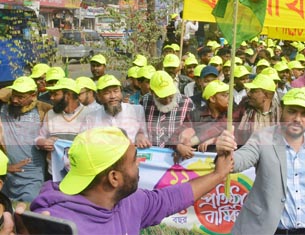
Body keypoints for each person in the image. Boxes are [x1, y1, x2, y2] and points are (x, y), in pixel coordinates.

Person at [30, 127, 233, 234]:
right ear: (114, 178)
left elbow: (171, 198)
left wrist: (218, 174)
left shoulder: (130, 200)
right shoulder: (56, 223)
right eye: (134, 159)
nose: (139, 163)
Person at [215, 88, 305, 235]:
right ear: (281, 110)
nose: (297, 118)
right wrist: (224, 152)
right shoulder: (262, 138)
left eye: (304, 114)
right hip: (268, 229)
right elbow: (238, 162)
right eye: (292, 111)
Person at [0, 77, 51, 201]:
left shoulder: (43, 111)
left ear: (33, 96)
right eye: (13, 96)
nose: (15, 100)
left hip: (32, 177)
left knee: (27, 211)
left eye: (21, 97)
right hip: (7, 176)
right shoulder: (4, 109)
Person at [82, 75, 149, 146]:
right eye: (107, 93)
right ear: (98, 96)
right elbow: (83, 142)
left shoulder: (137, 111)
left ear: (121, 92)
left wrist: (140, 135)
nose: (113, 96)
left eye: (116, 91)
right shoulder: (91, 118)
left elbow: (144, 134)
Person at [141, 71, 194, 156]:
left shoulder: (186, 103)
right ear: (152, 91)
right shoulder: (145, 101)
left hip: (176, 158)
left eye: (170, 96)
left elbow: (192, 130)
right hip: (152, 156)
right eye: (162, 97)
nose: (167, 100)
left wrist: (178, 144)